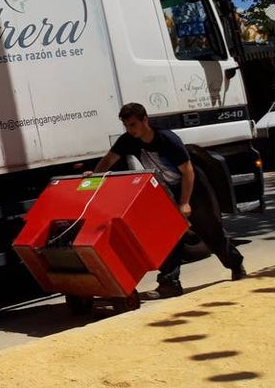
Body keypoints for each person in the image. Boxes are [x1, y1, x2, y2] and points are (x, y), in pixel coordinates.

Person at [91, 102, 246, 299]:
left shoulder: (167, 139)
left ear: (145, 120)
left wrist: (185, 202)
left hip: (193, 186)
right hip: (167, 189)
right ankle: (170, 284)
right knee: (169, 234)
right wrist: (94, 177)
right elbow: (109, 160)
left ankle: (235, 264)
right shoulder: (128, 140)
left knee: (209, 230)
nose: (130, 130)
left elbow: (188, 171)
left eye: (132, 125)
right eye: (127, 126)